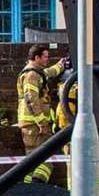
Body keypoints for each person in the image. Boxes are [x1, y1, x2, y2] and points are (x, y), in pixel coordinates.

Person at [16, 43, 63, 183]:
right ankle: (36, 187)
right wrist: (41, 122)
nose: (47, 59)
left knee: (33, 161)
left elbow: (48, 72)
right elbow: (31, 99)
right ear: (37, 58)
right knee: (44, 160)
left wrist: (61, 65)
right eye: (45, 57)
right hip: (34, 125)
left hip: (32, 124)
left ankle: (28, 189)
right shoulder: (31, 75)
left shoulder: (36, 73)